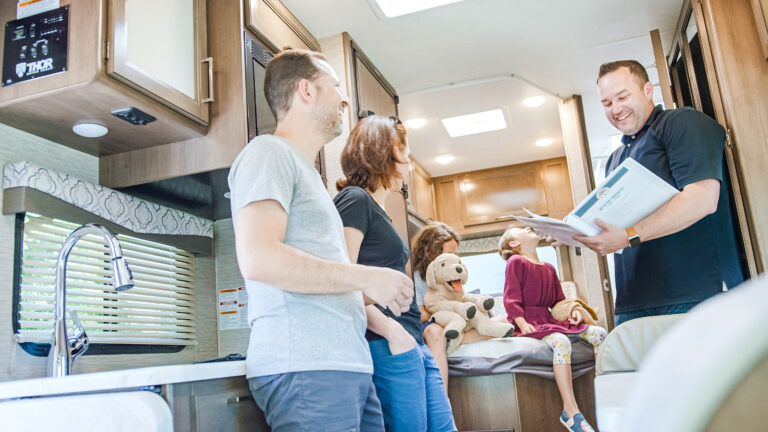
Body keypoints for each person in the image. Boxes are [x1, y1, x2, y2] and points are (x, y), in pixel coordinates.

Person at [228, 50, 414, 431]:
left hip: (344, 364)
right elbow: (259, 259)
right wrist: (366, 277)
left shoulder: (309, 175)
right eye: (336, 87)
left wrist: (372, 287)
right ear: (306, 91)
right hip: (306, 366)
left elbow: (317, 273)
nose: (345, 99)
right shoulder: (267, 154)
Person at [573, 60, 743, 326]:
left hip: (693, 294)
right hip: (633, 302)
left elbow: (703, 199)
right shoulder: (616, 157)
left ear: (648, 90)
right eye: (607, 103)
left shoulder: (681, 122)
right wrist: (574, 231)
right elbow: (616, 221)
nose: (616, 109)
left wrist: (629, 236)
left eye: (623, 96)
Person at [334, 115, 457, 432]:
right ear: (384, 154)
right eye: (405, 155)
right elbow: (341, 282)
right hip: (386, 341)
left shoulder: (381, 212)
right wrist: (391, 331)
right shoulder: (355, 200)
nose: (408, 165)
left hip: (411, 339)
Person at [500, 225, 606, 432]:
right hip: (528, 322)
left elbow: (559, 301)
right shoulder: (516, 261)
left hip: (549, 319)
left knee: (599, 334)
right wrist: (522, 323)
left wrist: (573, 311)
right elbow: (510, 298)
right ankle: (570, 410)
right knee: (561, 341)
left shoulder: (549, 267)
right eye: (521, 229)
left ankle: (605, 394)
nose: (528, 227)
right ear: (514, 244)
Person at [410, 222, 460, 391]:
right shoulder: (420, 276)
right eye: (448, 254)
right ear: (429, 252)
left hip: (453, 319)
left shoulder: (451, 277)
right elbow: (422, 314)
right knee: (435, 333)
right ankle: (442, 395)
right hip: (433, 322)